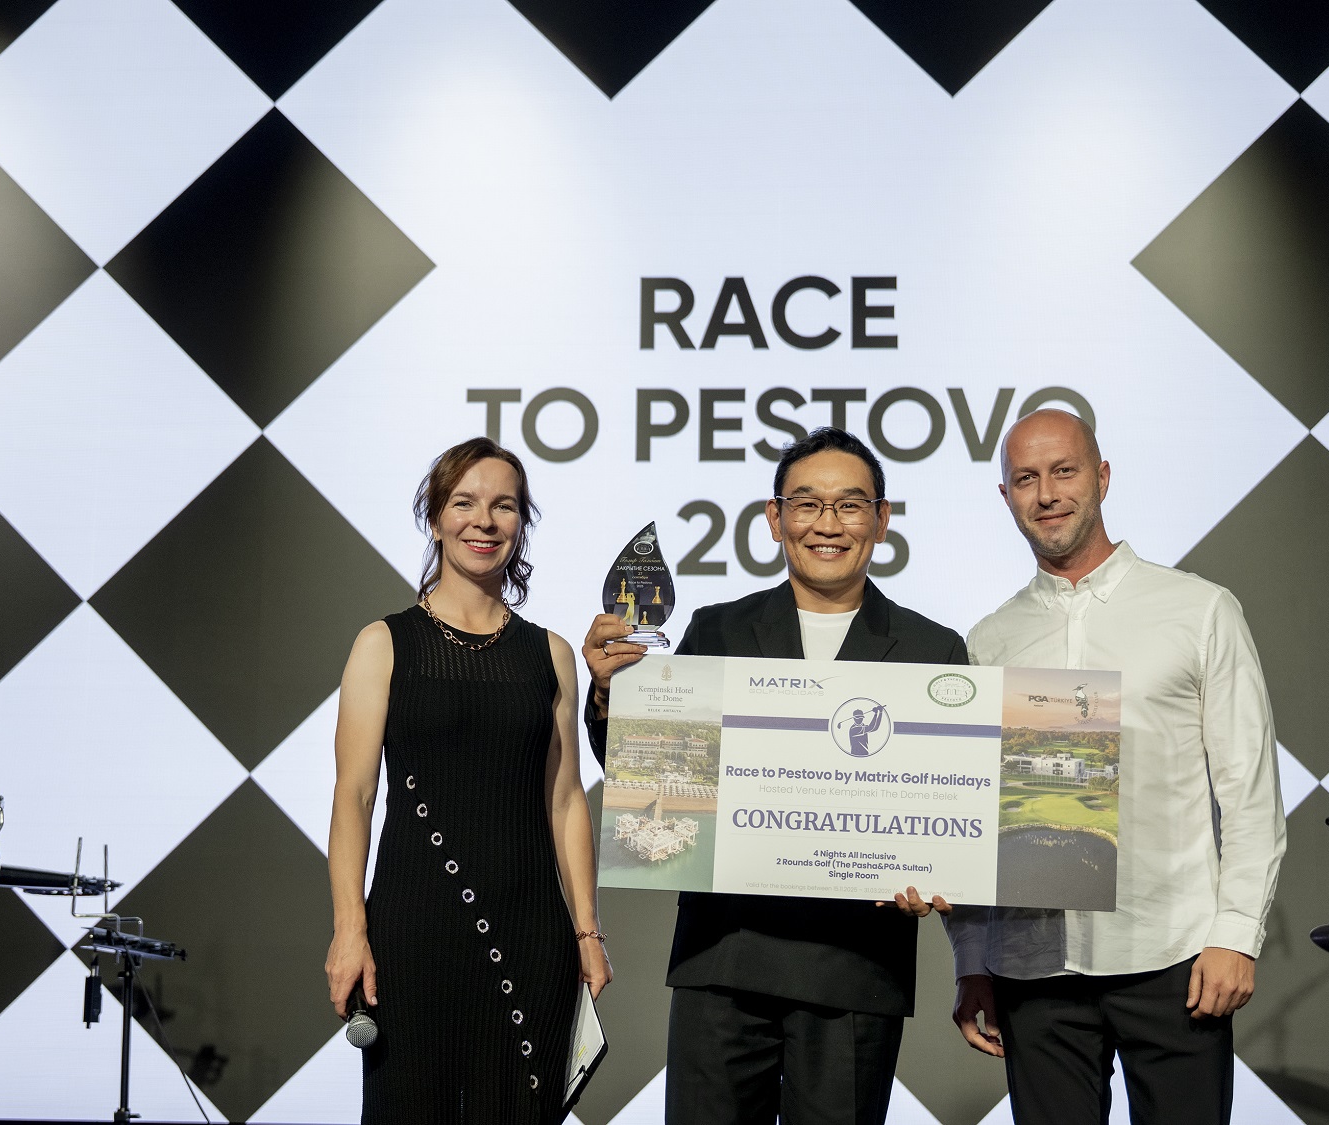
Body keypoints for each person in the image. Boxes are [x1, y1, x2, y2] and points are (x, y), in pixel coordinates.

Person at [583, 428, 966, 1125]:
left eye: (850, 505)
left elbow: (951, 810)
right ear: (774, 518)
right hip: (724, 959)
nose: (828, 524)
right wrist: (611, 696)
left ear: (882, 519)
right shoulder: (717, 630)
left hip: (856, 969)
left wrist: (939, 872)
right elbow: (653, 778)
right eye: (807, 504)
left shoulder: (933, 650)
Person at [945, 409, 1285, 1125]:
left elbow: (1249, 792)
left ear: (1102, 476)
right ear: (1005, 495)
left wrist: (1235, 934)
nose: (1046, 494)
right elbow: (974, 814)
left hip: (1174, 956)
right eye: (1025, 478)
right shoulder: (988, 641)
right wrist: (972, 957)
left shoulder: (1199, 610)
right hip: (1032, 964)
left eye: (1063, 471)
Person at [326, 437, 611, 1124]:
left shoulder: (551, 653)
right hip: (412, 936)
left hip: (532, 937)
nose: (484, 521)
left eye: (504, 506)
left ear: (521, 523)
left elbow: (566, 799)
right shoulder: (383, 643)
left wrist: (587, 932)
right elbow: (354, 797)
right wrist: (348, 929)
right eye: (464, 503)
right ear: (435, 519)